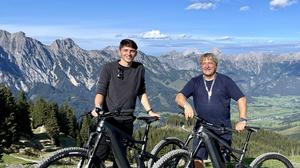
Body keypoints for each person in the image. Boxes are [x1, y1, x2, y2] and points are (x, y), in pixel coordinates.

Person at [91, 39, 160, 167]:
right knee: (98, 157)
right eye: (126, 50)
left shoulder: (139, 68)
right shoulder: (109, 68)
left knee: (120, 160)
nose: (129, 54)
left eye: (132, 51)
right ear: (120, 51)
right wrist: (97, 107)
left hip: (127, 121)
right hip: (109, 120)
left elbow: (141, 91)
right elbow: (101, 92)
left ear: (136, 53)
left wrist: (149, 111)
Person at [175, 53, 247, 168]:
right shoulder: (195, 81)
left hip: (222, 129)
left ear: (216, 65)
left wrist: (242, 119)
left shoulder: (225, 81)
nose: (207, 66)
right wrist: (186, 105)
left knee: (220, 164)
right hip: (202, 128)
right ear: (200, 66)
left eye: (210, 63)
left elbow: (241, 98)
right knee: (197, 160)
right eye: (204, 63)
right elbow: (179, 97)